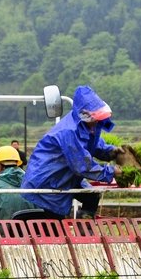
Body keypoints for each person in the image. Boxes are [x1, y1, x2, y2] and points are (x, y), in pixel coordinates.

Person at [22, 85, 122, 219]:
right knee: (54, 221)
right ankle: (62, 236)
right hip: (47, 181)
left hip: (66, 177)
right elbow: (82, 166)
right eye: (94, 119)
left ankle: (85, 228)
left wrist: (113, 151)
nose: (96, 122)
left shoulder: (89, 127)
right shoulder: (68, 132)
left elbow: (95, 146)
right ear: (84, 114)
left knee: (91, 195)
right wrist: (111, 172)